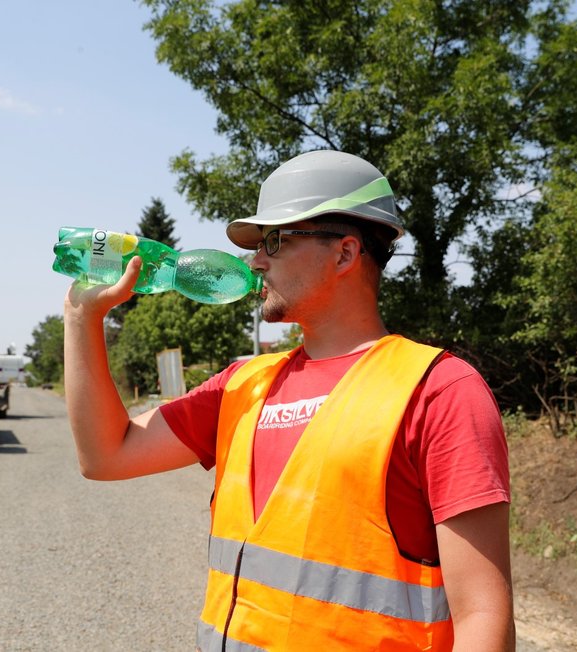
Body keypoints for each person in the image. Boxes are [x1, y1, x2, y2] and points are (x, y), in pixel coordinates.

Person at [63, 150, 514, 651]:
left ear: (344, 254)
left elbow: (483, 615)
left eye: (275, 241)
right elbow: (105, 454)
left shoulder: (438, 391)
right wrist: (81, 320)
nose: (255, 261)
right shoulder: (242, 383)